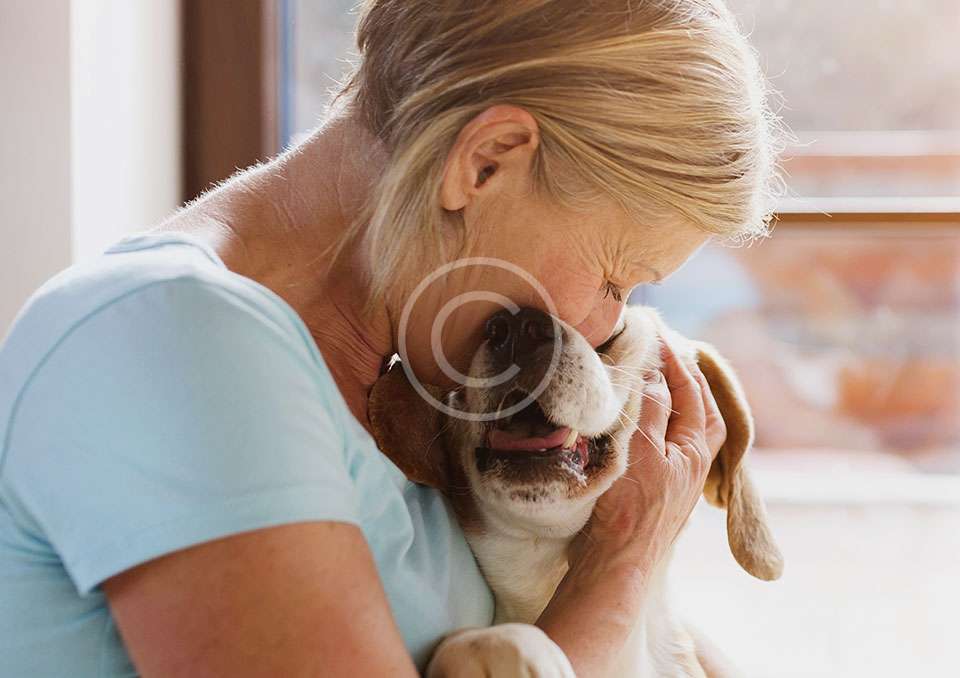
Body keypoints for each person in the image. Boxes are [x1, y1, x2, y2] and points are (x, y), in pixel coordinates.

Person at [0, 1, 784, 675]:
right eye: (616, 276)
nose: (605, 328)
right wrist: (623, 560)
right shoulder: (178, 340)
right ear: (485, 163)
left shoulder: (404, 401)